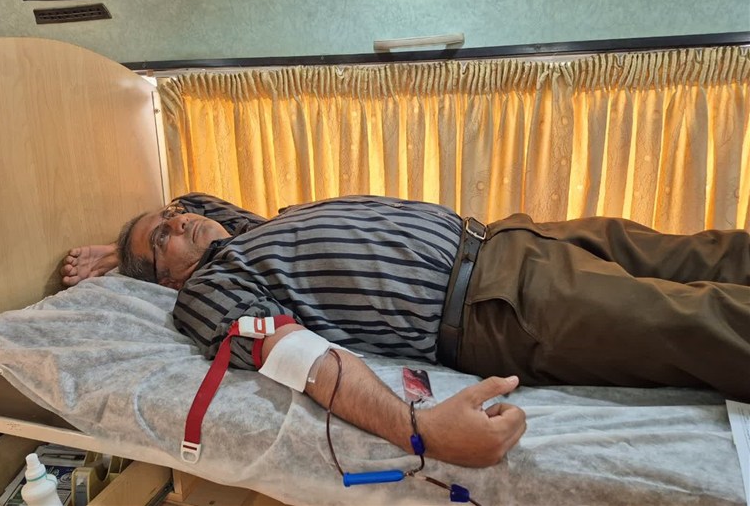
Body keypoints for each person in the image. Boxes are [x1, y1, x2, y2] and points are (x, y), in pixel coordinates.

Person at [62, 192, 750, 468]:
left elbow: (194, 199)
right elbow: (297, 355)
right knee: (707, 324)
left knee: (717, 255)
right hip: (495, 303)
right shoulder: (208, 288)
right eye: (162, 235)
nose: (179, 220)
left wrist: (121, 245)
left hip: (510, 237)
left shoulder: (242, 230)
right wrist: (418, 430)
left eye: (171, 214)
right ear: (166, 280)